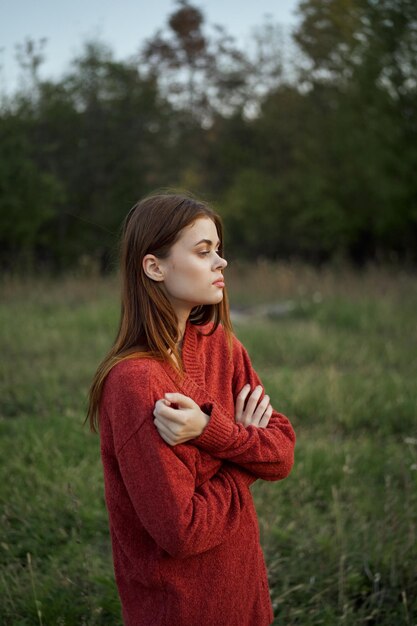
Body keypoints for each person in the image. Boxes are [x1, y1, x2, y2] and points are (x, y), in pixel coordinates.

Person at [86, 192, 296, 626]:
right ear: (154, 266)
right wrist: (242, 455)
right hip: (180, 608)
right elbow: (184, 531)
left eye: (219, 250)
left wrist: (210, 430)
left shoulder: (223, 347)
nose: (221, 263)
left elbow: (282, 454)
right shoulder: (135, 383)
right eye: (204, 251)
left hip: (245, 592)